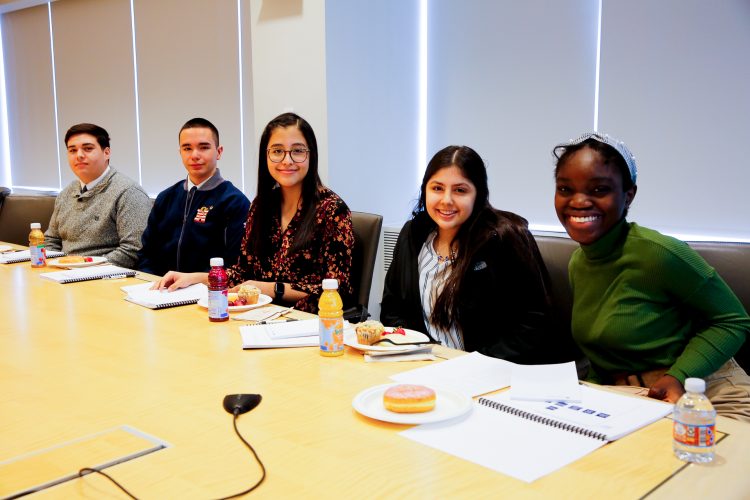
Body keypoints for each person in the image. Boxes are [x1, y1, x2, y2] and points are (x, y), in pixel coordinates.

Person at [553, 131, 750, 421]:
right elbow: (603, 351)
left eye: (599, 190)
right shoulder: (578, 263)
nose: (579, 201)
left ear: (628, 194)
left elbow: (733, 320)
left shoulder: (659, 253)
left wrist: (679, 376)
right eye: (566, 189)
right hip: (638, 398)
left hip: (707, 391)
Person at [154, 112, 354, 313]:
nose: (287, 160)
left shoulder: (332, 210)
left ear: (311, 155)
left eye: (298, 151)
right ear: (265, 156)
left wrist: (274, 289)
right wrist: (194, 277)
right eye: (277, 151)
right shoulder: (262, 205)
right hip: (257, 315)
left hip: (307, 321)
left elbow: (339, 289)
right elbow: (243, 272)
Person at [381, 145, 564, 363]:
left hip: (491, 371)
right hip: (424, 365)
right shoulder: (413, 234)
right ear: (425, 191)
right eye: (437, 188)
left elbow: (535, 322)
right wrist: (418, 353)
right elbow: (392, 309)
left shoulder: (504, 238)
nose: (446, 200)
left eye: (460, 190)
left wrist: (473, 364)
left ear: (478, 194)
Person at [137, 118, 250, 276]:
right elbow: (147, 254)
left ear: (219, 152)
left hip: (208, 293)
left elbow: (236, 264)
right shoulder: (166, 198)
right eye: (187, 148)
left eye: (204, 147)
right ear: (180, 152)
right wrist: (149, 282)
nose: (194, 155)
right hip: (160, 290)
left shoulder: (234, 202)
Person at [45, 123, 151, 268]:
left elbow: (133, 249)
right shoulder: (66, 193)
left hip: (106, 278)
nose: (79, 155)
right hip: (64, 273)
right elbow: (51, 240)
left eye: (88, 149)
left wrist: (84, 268)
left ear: (106, 152)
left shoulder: (128, 192)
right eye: (72, 150)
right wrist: (53, 266)